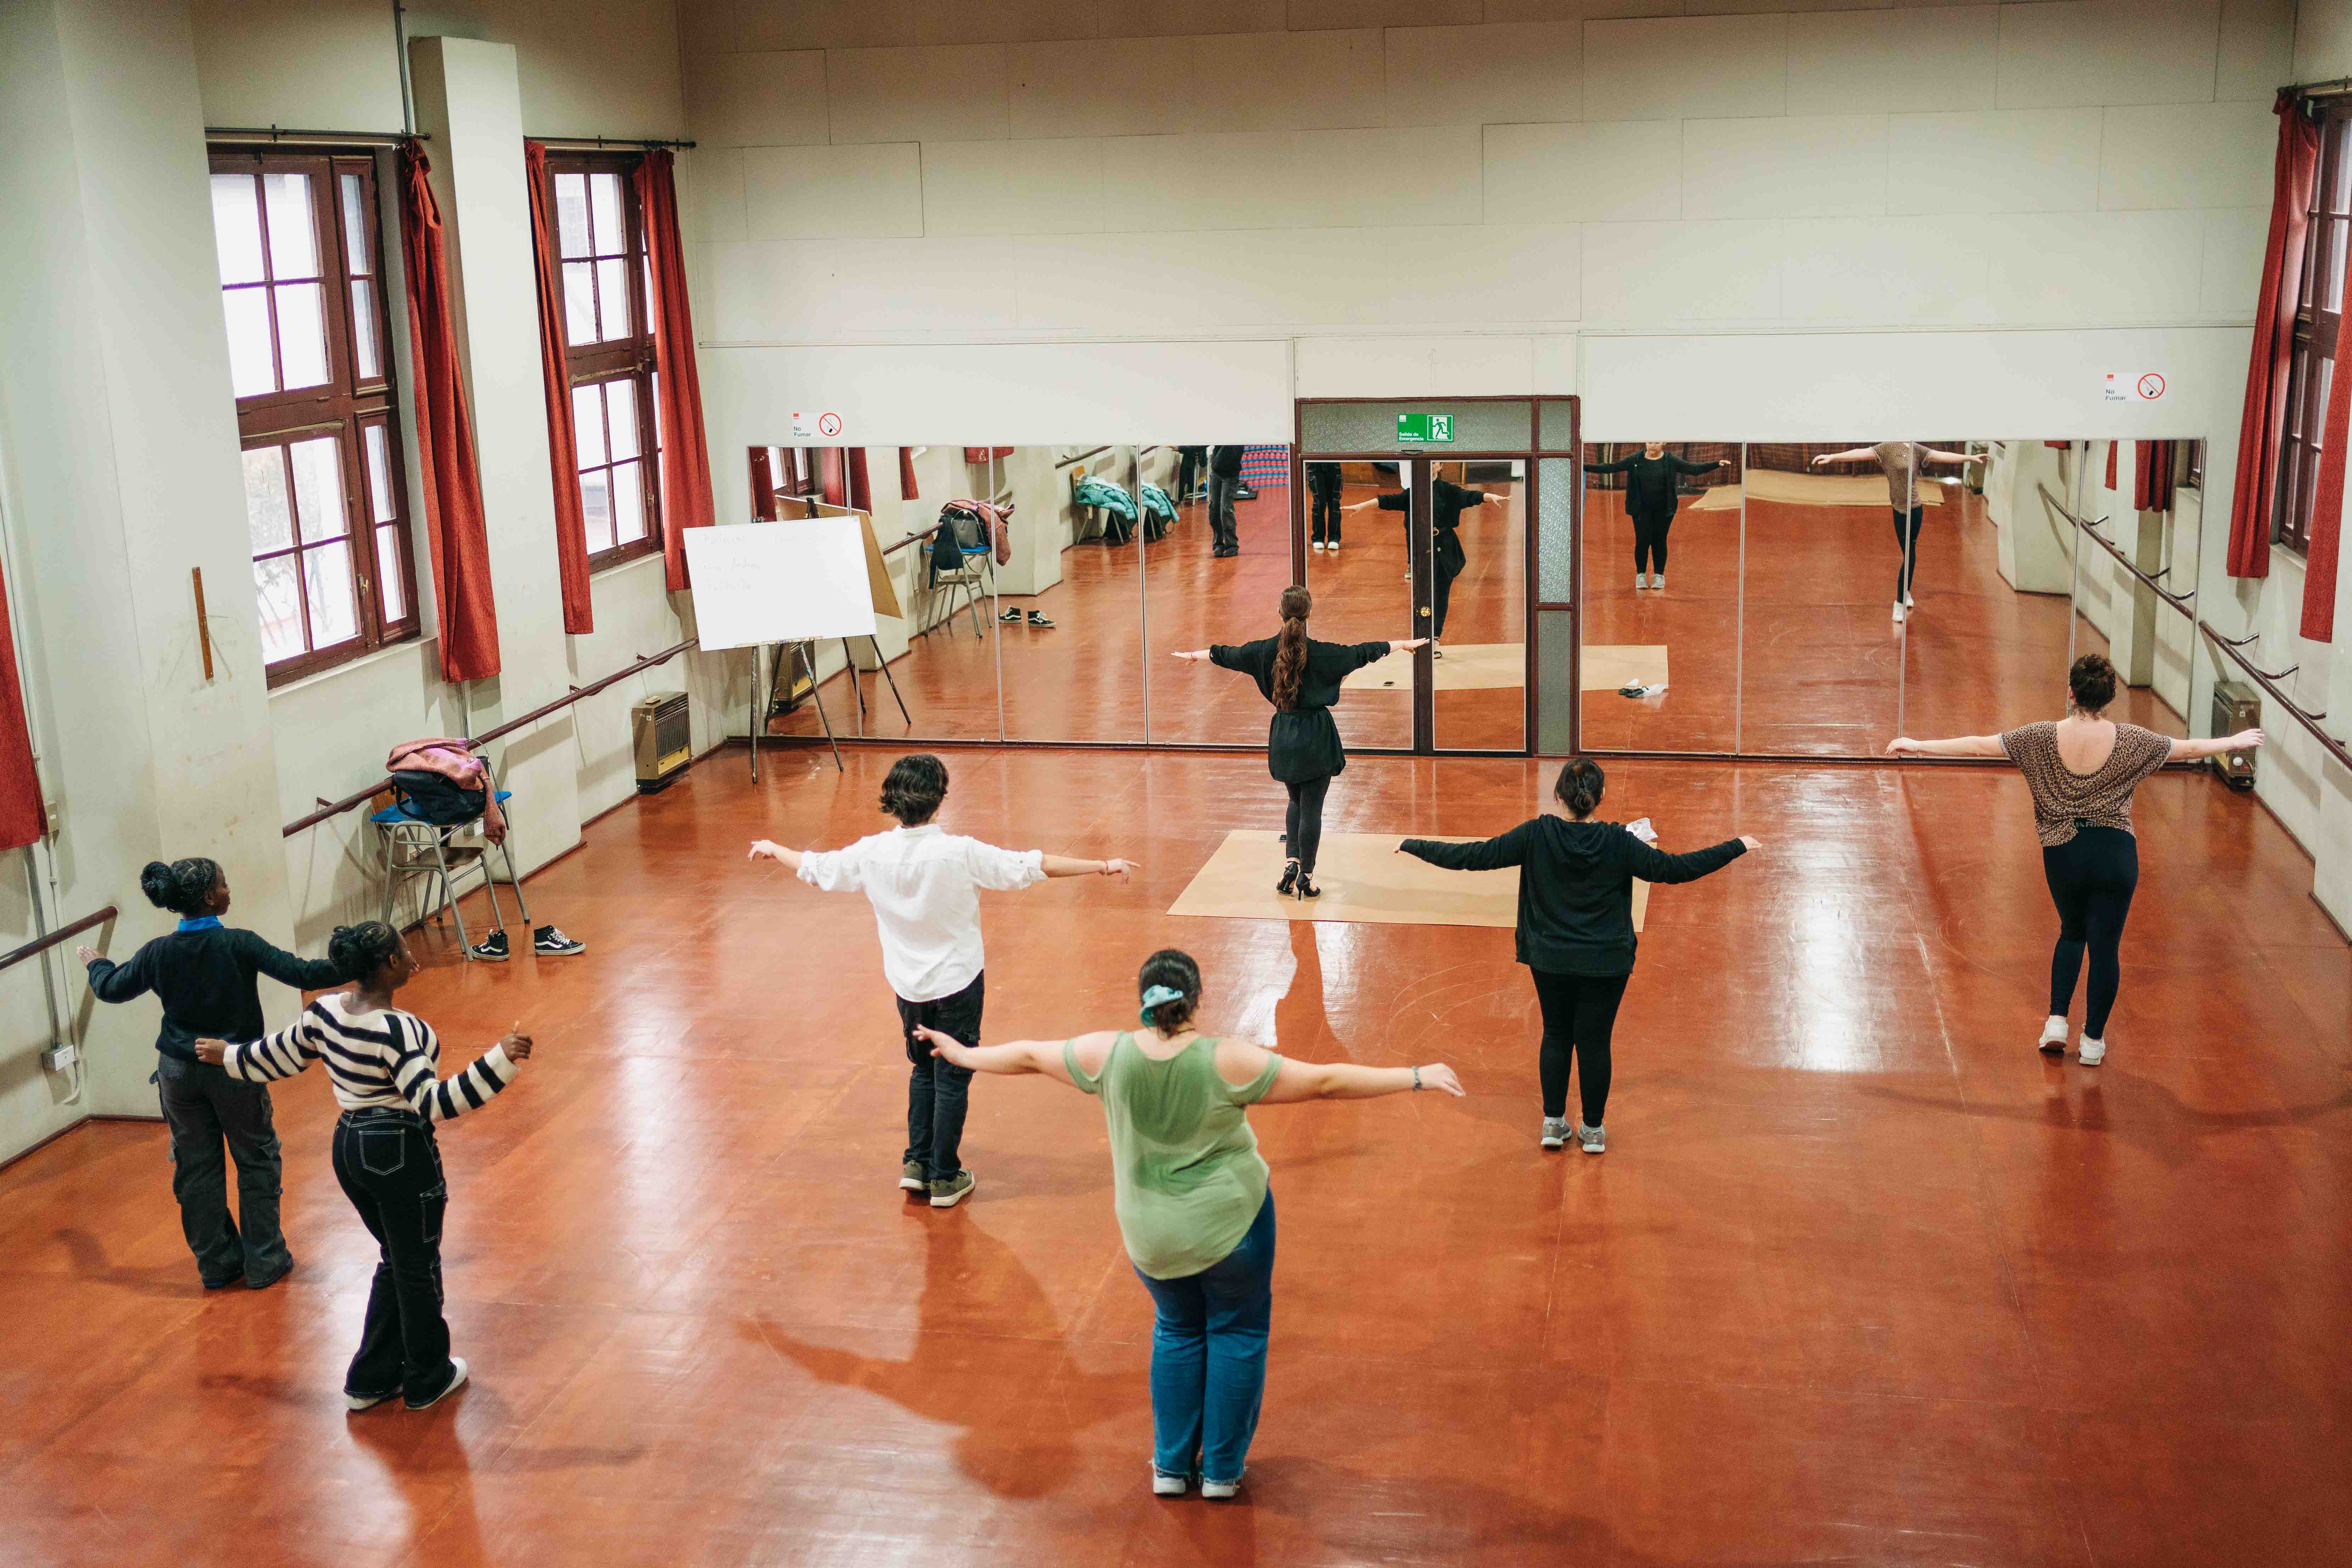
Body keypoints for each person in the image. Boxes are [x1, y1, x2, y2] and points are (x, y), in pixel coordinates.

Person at [910, 948, 1463, 1500]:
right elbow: (1325, 1081)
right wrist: (1415, 1075)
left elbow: (1030, 1055)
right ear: (1196, 1000)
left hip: (1152, 1237)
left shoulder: (1107, 1055)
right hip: (1233, 1228)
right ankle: (1221, 1472)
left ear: (1143, 1000)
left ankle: (1171, 1467)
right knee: (1238, 1333)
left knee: (1176, 1329)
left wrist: (960, 1053)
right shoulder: (1228, 1061)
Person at [749, 753, 1139, 1208]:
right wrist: (1102, 864)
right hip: (958, 984)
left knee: (922, 1071)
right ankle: (945, 1177)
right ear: (938, 799)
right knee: (953, 1075)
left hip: (908, 989)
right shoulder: (960, 853)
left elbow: (816, 868)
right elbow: (1033, 865)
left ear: (893, 801)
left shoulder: (872, 853)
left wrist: (775, 848)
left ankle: (916, 1164)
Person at [193, 921, 532, 1411]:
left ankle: (371, 1378)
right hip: (400, 1150)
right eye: (405, 950)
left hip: (349, 1146)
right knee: (417, 1266)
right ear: (389, 963)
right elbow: (435, 1102)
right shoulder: (399, 1030)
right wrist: (501, 1060)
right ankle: (427, 1377)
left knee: (396, 1258)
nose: (413, 956)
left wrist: (229, 1056)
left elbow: (278, 1056)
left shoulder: (325, 1011)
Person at [1887, 653, 2263, 1066]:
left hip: (2062, 851)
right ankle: (2092, 1042)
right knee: (2105, 949)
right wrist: (2232, 741)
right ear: (2109, 697)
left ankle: (2055, 1023)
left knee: (2071, 933)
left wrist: (1918, 744)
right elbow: (2186, 748)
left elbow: (1979, 744)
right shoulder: (2133, 740)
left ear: (2071, 693)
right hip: (2115, 853)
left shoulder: (2039, 737)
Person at [1396, 759, 1759, 1154]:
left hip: (1549, 957)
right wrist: (1735, 846)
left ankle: (1553, 1124)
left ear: (1559, 796)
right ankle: (1593, 1129)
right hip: (1606, 960)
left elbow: (1474, 856)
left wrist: (1416, 846)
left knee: (1556, 1033)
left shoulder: (1536, 834)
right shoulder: (1619, 842)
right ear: (1600, 795)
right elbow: (1675, 868)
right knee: (1595, 1041)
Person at [76, 857, 346, 1291]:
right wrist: (360, 961)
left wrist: (97, 964)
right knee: (256, 1159)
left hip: (177, 1074)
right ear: (208, 896)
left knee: (196, 1168)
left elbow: (111, 988)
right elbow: (303, 973)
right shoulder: (239, 943)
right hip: (233, 1067)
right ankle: (265, 1260)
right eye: (223, 884)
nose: (228, 889)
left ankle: (218, 1266)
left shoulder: (158, 951)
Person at [1170, 585, 1423, 899]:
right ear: (1309, 614)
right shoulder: (1326, 653)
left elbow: (1224, 654)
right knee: (1312, 809)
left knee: (1295, 801)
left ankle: (1291, 863)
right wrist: (1402, 644)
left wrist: (1193, 656)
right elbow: (1364, 652)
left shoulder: (1261, 651)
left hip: (1284, 735)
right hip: (1315, 736)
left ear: (1279, 613)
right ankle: (1307, 876)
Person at [1810, 442, 1980, 624]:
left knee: (1910, 554)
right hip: (1899, 511)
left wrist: (1970, 458)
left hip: (1915, 509)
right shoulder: (1888, 448)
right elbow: (1860, 453)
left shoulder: (1917, 449)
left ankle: (1900, 600)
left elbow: (1942, 456)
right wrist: (1833, 457)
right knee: (1908, 554)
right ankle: (1904, 594)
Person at [1345, 466, 1507, 650]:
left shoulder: (1448, 490)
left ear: (1440, 466)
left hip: (1445, 548)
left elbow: (1470, 497)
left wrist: (1490, 497)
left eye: (1435, 463)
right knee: (1422, 595)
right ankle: (1422, 638)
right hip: (1423, 548)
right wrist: (1361, 506)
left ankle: (1436, 638)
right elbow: (1388, 501)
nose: (1431, 466)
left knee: (1441, 595)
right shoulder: (1415, 492)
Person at [1583, 442, 1728, 592]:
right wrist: (1585, 467)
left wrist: (1716, 464)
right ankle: (1641, 575)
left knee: (1660, 541)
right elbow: (1611, 468)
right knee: (1642, 541)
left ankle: (1659, 575)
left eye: (1656, 442)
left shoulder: (1670, 460)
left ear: (1664, 443)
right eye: (1650, 442)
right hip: (1641, 510)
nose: (1652, 446)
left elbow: (1694, 469)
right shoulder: (1635, 460)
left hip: (1664, 511)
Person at [1207, 445, 1244, 557]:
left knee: (1226, 510)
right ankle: (1218, 544)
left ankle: (1232, 546)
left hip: (1231, 476)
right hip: (1216, 473)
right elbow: (1203, 442)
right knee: (1214, 510)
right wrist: (1182, 448)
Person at [1305, 460, 1343, 552]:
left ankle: (1334, 538)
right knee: (1319, 502)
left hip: (1333, 463)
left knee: (1334, 502)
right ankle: (1318, 538)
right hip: (1315, 465)